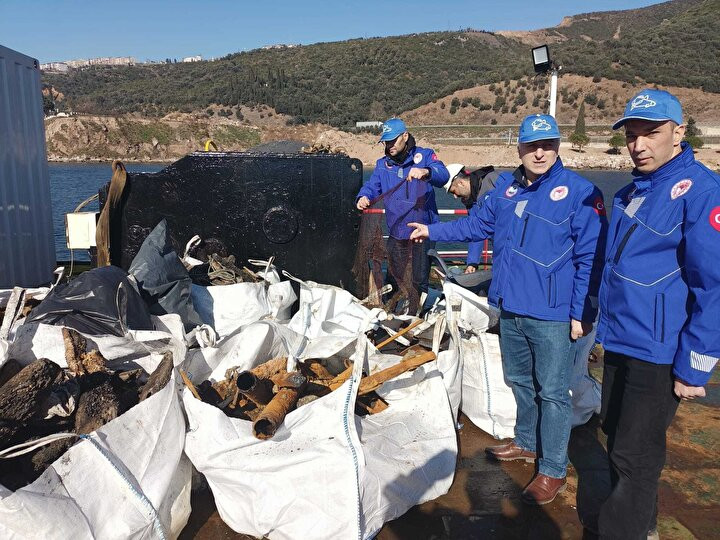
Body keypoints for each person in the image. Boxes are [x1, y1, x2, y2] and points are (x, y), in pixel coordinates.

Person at [408, 114, 607, 505]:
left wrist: (581, 312)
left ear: (557, 146)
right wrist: (431, 230)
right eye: (531, 145)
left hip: (552, 315)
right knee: (519, 380)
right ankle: (528, 442)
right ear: (518, 148)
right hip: (511, 308)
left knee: (552, 392)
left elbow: (591, 259)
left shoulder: (581, 192)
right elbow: (474, 227)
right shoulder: (506, 191)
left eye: (546, 144)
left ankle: (552, 471)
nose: (539, 152)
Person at [595, 89, 720, 539]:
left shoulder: (702, 192)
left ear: (679, 132)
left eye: (652, 133)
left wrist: (694, 365)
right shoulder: (632, 192)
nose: (639, 144)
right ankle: (642, 528)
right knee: (613, 434)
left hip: (660, 348)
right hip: (621, 339)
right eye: (632, 135)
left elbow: (714, 285)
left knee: (635, 454)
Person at [356, 118, 449, 308]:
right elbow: (372, 186)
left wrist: (426, 171)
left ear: (405, 136)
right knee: (393, 278)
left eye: (392, 141)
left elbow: (443, 174)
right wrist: (363, 196)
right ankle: (391, 315)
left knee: (418, 279)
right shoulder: (383, 165)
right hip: (397, 232)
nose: (389, 146)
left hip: (422, 231)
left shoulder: (425, 155)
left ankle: (417, 319)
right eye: (386, 142)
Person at [443, 164, 499, 273]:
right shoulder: (471, 202)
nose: (455, 196)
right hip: (500, 251)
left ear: (461, 183)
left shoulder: (494, 181)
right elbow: (475, 231)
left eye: (453, 191)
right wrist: (472, 262)